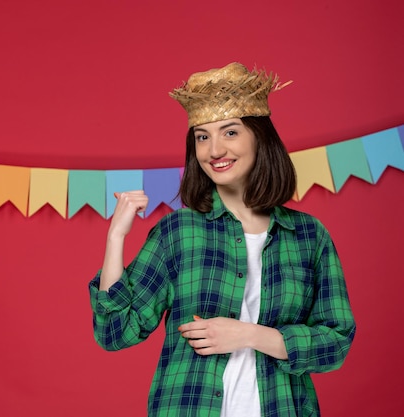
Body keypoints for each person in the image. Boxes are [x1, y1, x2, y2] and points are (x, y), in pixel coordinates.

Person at [88, 62, 356, 417]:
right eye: (202, 136)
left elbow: (336, 342)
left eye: (230, 133)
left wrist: (250, 335)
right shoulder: (178, 233)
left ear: (260, 137)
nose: (214, 150)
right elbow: (115, 332)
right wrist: (115, 238)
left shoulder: (309, 236)